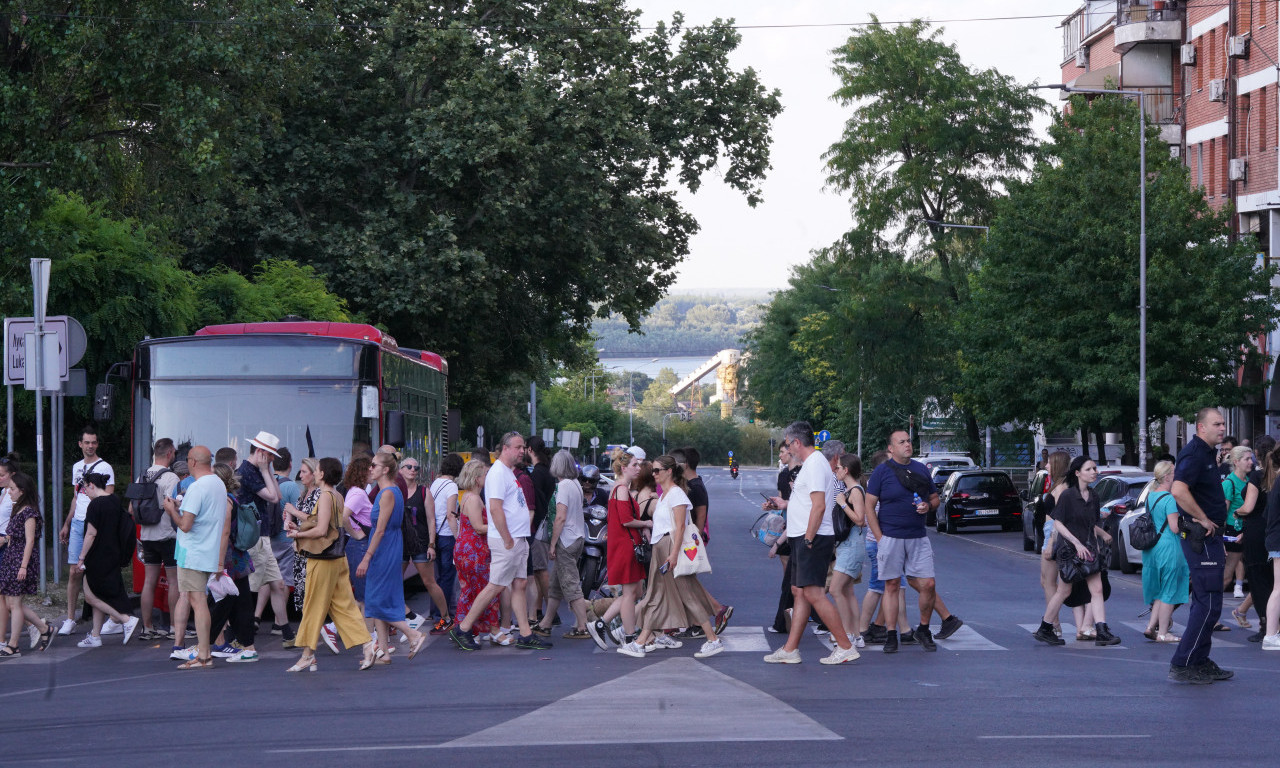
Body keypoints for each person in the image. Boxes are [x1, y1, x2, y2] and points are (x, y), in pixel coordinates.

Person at [761, 424, 858, 664]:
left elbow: (819, 505)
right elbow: (807, 502)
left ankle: (845, 646)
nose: (786, 447)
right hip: (803, 536)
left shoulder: (814, 464)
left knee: (813, 593)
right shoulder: (810, 466)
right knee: (799, 592)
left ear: (796, 443)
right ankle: (790, 649)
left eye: (787, 443)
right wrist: (782, 505)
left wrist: (809, 537)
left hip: (811, 537)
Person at [449, 432, 551, 651]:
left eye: (523, 447)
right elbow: (495, 508)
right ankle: (464, 628)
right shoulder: (497, 473)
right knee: (495, 585)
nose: (522, 451)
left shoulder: (507, 472)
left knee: (520, 584)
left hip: (517, 538)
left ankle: (525, 634)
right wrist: (507, 539)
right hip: (508, 540)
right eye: (518, 447)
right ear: (505, 448)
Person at [618, 454, 725, 660]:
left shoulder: (676, 494)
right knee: (659, 596)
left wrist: (673, 555)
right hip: (662, 546)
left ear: (669, 471)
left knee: (685, 595)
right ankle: (641, 642)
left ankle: (712, 640)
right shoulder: (667, 495)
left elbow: (680, 526)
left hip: (669, 546)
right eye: (653, 470)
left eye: (658, 470)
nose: (654, 474)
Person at [285, 457, 373, 672]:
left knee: (313, 606)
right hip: (337, 558)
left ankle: (307, 655)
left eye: (317, 470)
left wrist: (297, 533)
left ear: (322, 474)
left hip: (322, 559)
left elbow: (322, 529)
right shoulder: (337, 495)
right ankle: (368, 645)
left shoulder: (325, 496)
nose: (314, 473)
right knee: (344, 606)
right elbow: (336, 525)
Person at [1168, 407, 1233, 683]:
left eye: (1223, 423)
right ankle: (1183, 663)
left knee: (1212, 602)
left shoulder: (1208, 453)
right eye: (1217, 423)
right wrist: (1204, 519)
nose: (1222, 428)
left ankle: (1200, 659)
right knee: (1207, 603)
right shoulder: (1195, 454)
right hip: (1200, 537)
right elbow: (1178, 489)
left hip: (1212, 538)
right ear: (1201, 428)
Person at [863, 429, 941, 653]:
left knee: (929, 584)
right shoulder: (881, 472)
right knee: (892, 586)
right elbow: (869, 506)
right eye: (901, 442)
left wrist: (928, 506)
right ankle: (890, 634)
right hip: (891, 536)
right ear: (891, 448)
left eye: (909, 441)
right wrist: (880, 538)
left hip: (918, 537)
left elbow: (935, 499)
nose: (907, 445)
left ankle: (924, 630)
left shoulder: (921, 469)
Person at [1033, 456, 1118, 646]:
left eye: (1095, 468)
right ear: (1077, 473)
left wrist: (1096, 546)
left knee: (1097, 589)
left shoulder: (1094, 496)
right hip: (1069, 550)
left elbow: (1092, 523)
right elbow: (1058, 522)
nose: (1094, 472)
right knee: (1064, 590)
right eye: (1089, 469)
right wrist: (1075, 543)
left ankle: (1102, 630)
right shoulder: (1068, 495)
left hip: (1088, 549)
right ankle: (1045, 627)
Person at [356, 451, 426, 667]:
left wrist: (367, 557)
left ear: (385, 469)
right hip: (390, 545)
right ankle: (384, 652)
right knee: (381, 598)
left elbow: (380, 530)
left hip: (384, 548)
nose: (370, 468)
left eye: (374, 465)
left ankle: (412, 634)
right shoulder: (390, 491)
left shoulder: (386, 493)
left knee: (375, 600)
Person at [163, 446, 228, 669]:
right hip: (207, 549)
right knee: (199, 600)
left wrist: (171, 510)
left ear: (192, 461)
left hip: (192, 552)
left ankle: (203, 655)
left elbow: (186, 525)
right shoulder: (218, 483)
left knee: (196, 600)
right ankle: (205, 652)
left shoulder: (197, 487)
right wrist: (183, 507)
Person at [235, 431, 292, 647]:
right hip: (255, 538)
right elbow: (273, 497)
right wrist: (265, 470)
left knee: (276, 584)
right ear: (260, 452)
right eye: (269, 456)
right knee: (251, 588)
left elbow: (276, 496)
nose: (272, 460)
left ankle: (287, 634)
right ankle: (240, 635)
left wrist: (266, 469)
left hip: (261, 536)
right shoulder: (248, 472)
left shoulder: (256, 470)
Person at [58, 425, 115, 636]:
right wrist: (67, 523)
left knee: (98, 572)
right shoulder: (77, 467)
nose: (90, 446)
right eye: (87, 442)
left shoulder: (105, 468)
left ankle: (112, 617)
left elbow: (109, 498)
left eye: (94, 442)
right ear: (80, 444)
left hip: (96, 524)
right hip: (77, 524)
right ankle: (71, 618)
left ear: (97, 444)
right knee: (74, 572)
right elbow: (76, 496)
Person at [590, 449, 650, 648]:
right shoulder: (622, 489)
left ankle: (603, 623)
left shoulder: (620, 488)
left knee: (634, 591)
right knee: (630, 592)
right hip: (625, 545)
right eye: (634, 465)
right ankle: (630, 635)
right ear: (624, 468)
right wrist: (646, 524)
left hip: (626, 544)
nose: (638, 468)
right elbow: (626, 520)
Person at [72, 473, 139, 648]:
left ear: (92, 485)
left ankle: (126, 619)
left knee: (90, 595)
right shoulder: (114, 500)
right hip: (113, 553)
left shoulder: (95, 505)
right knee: (97, 594)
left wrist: (81, 557)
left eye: (85, 487)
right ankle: (95, 635)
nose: (85, 491)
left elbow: (91, 533)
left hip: (97, 556)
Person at [673, 446, 732, 635]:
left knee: (687, 581)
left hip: (691, 539)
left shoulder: (696, 486)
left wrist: (693, 540)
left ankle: (714, 611)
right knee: (687, 580)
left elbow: (701, 516)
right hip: (687, 539)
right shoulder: (689, 484)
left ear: (686, 464)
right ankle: (697, 621)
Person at [534, 450, 591, 639]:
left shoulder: (564, 486)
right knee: (556, 585)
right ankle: (546, 623)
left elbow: (560, 517)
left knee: (570, 584)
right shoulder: (576, 484)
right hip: (577, 537)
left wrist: (552, 544)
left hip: (566, 540)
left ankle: (583, 626)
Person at [207, 464, 260, 663]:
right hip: (237, 559)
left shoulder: (226, 501)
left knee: (220, 603)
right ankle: (248, 647)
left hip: (229, 560)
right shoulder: (230, 498)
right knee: (240, 603)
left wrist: (219, 564)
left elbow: (225, 531)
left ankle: (205, 644)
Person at [0, 472, 56, 658]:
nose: (9, 492)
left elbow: (30, 541)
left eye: (13, 489)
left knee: (14, 603)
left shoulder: (30, 513)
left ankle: (13, 645)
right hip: (11, 559)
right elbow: (14, 537)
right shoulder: (19, 509)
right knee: (10, 603)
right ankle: (44, 628)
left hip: (20, 561)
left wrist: (23, 566)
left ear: (22, 491)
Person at [450, 459, 501, 646]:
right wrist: (499, 526)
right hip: (473, 550)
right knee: (484, 591)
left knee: (471, 591)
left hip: (467, 548)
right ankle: (466, 629)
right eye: (485, 474)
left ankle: (465, 629)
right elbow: (479, 527)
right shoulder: (473, 499)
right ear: (477, 478)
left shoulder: (470, 497)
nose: (487, 478)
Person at [134, 439, 181, 640]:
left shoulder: (142, 476)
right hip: (167, 535)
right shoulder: (171, 477)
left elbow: (131, 508)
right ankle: (173, 627)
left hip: (147, 535)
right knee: (173, 581)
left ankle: (147, 627)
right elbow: (173, 505)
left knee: (149, 582)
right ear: (170, 453)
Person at [400, 455, 450, 628]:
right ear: (400, 470)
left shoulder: (424, 492)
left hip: (420, 542)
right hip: (401, 544)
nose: (413, 470)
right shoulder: (395, 491)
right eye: (409, 467)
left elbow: (431, 520)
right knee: (394, 582)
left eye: (416, 468)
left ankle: (445, 617)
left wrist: (431, 544)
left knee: (429, 582)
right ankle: (403, 617)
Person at [1141, 461, 1188, 643]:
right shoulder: (1169, 499)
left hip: (1152, 549)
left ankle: (1150, 627)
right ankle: (1163, 633)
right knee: (1168, 591)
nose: (1176, 475)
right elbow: (1175, 528)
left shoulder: (1151, 496)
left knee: (1160, 592)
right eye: (1174, 472)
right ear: (1168, 476)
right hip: (1168, 547)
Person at [259, 447, 300, 643]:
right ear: (290, 464)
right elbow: (298, 513)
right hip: (285, 539)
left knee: (268, 578)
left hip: (268, 537)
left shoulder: (267, 483)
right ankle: (278, 622)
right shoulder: (292, 487)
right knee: (283, 581)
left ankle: (256, 616)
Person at [1239, 436, 1276, 639]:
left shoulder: (1256, 476)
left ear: (1257, 454)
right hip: (1273, 530)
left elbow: (1248, 507)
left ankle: (1265, 626)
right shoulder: (1276, 475)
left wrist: (1236, 512)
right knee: (1273, 581)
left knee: (1258, 581)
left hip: (1255, 531)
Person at [829, 453, 867, 646]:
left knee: (835, 589)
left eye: (838, 468)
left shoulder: (855, 492)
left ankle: (847, 634)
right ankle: (856, 635)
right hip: (847, 545)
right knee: (847, 591)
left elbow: (860, 519)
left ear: (846, 470)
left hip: (852, 546)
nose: (835, 470)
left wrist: (842, 504)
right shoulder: (850, 490)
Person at [428, 453, 463, 634]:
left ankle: (436, 613)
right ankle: (444, 617)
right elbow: (451, 515)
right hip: (448, 536)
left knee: (438, 577)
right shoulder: (452, 487)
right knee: (448, 577)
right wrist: (459, 538)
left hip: (436, 535)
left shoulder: (435, 484)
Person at [524, 438, 554, 627]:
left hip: (537, 527)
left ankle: (548, 612)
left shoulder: (536, 474)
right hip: (545, 525)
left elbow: (534, 506)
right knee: (539, 571)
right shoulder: (547, 471)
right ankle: (543, 610)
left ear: (529, 450)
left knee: (539, 572)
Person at [1221, 445, 1256, 603]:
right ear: (1236, 462)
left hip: (1248, 532)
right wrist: (1219, 537)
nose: (1251, 462)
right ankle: (1209, 612)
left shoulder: (1250, 481)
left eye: (1251, 458)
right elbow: (1223, 511)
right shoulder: (1229, 483)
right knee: (1226, 577)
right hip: (1232, 533)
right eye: (1247, 459)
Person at [342, 457, 374, 616]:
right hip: (360, 545)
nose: (372, 471)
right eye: (370, 468)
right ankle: (367, 635)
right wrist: (356, 534)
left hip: (358, 545)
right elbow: (343, 516)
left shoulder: (356, 492)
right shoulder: (359, 493)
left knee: (365, 594)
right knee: (365, 596)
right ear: (362, 472)